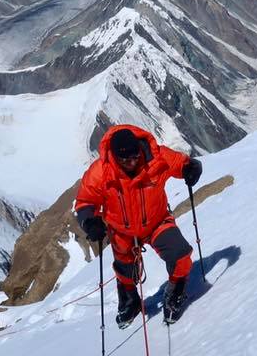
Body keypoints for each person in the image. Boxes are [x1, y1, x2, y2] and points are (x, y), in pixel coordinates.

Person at [75, 124, 203, 327]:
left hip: (157, 222)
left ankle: (176, 292)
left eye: (135, 156)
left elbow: (182, 164)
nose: (132, 162)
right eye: (126, 159)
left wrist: (191, 168)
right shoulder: (101, 171)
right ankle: (130, 301)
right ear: (115, 156)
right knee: (125, 271)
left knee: (180, 255)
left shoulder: (155, 157)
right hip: (121, 232)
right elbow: (84, 202)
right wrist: (90, 221)